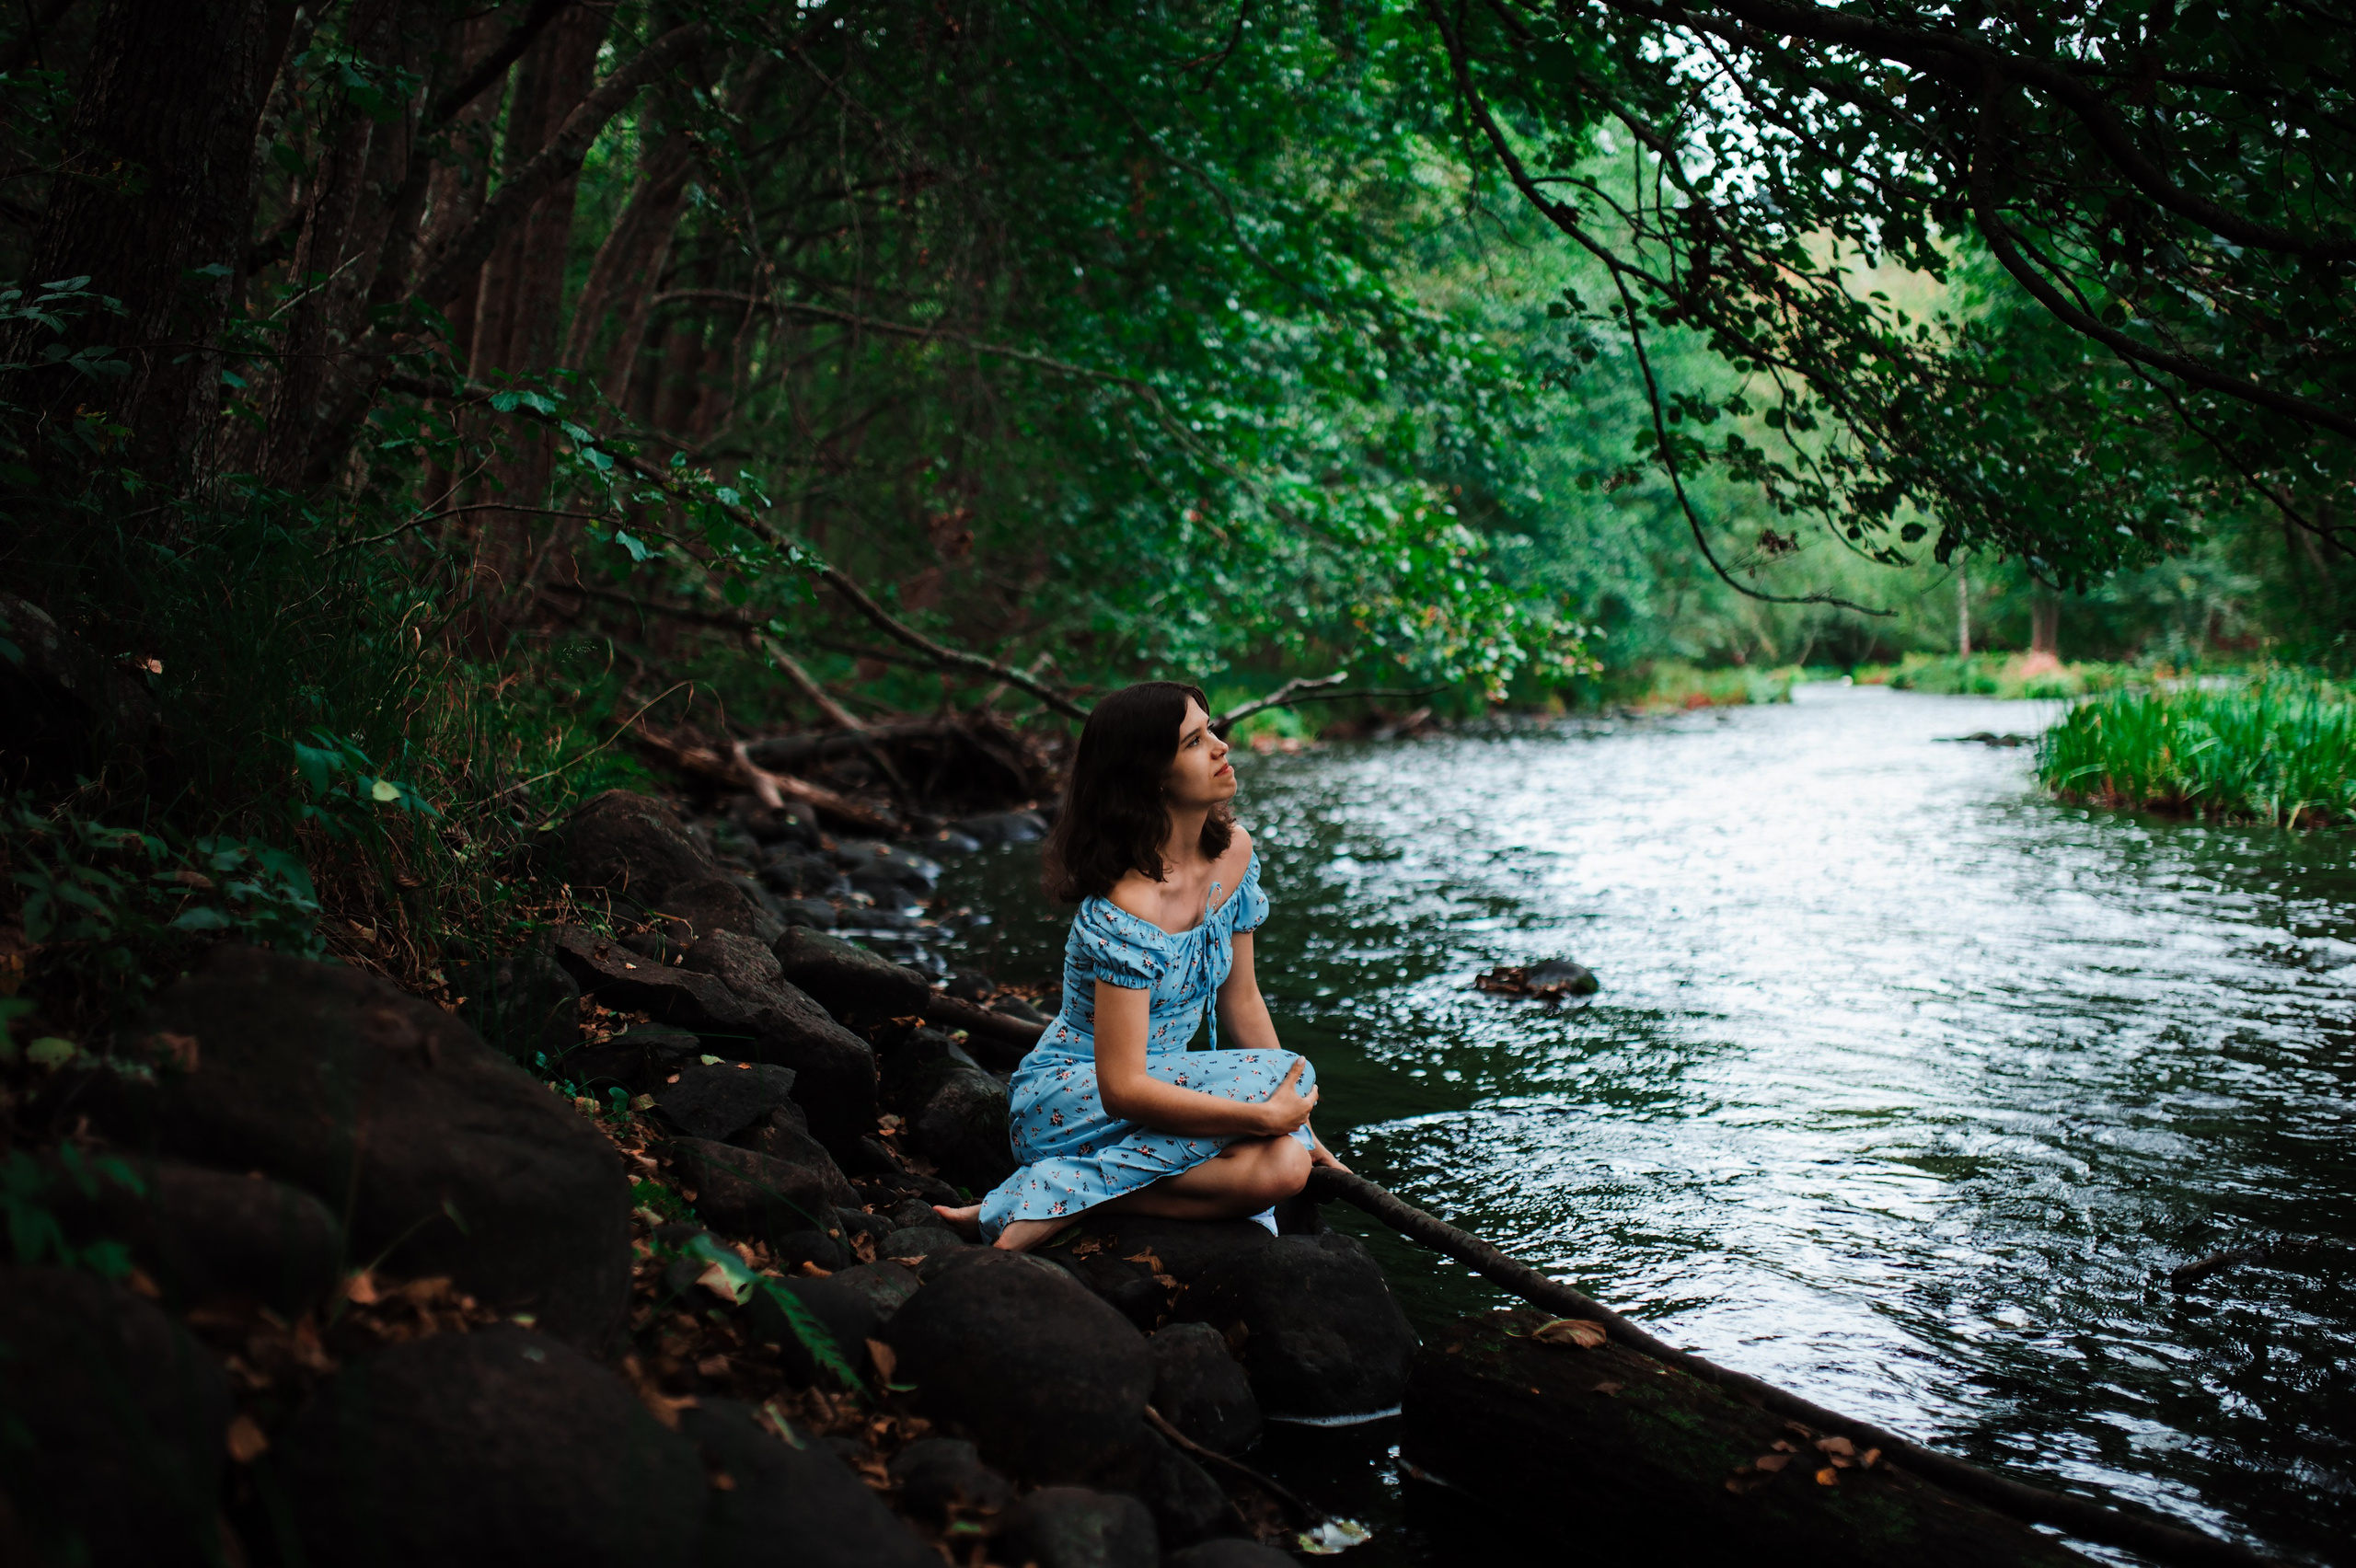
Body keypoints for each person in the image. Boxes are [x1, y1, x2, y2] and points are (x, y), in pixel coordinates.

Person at [934, 681, 1344, 1251]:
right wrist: (1264, 1112)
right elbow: (1122, 1086)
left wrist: (1300, 1129)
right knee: (1282, 1078)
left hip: (1166, 1096)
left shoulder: (1235, 853)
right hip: (1076, 1102)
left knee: (1285, 1166)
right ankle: (1050, 1184)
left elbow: (1241, 999)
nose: (1222, 747)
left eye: (1212, 730)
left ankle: (1055, 1196)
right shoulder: (1129, 907)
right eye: (1195, 741)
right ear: (1150, 776)